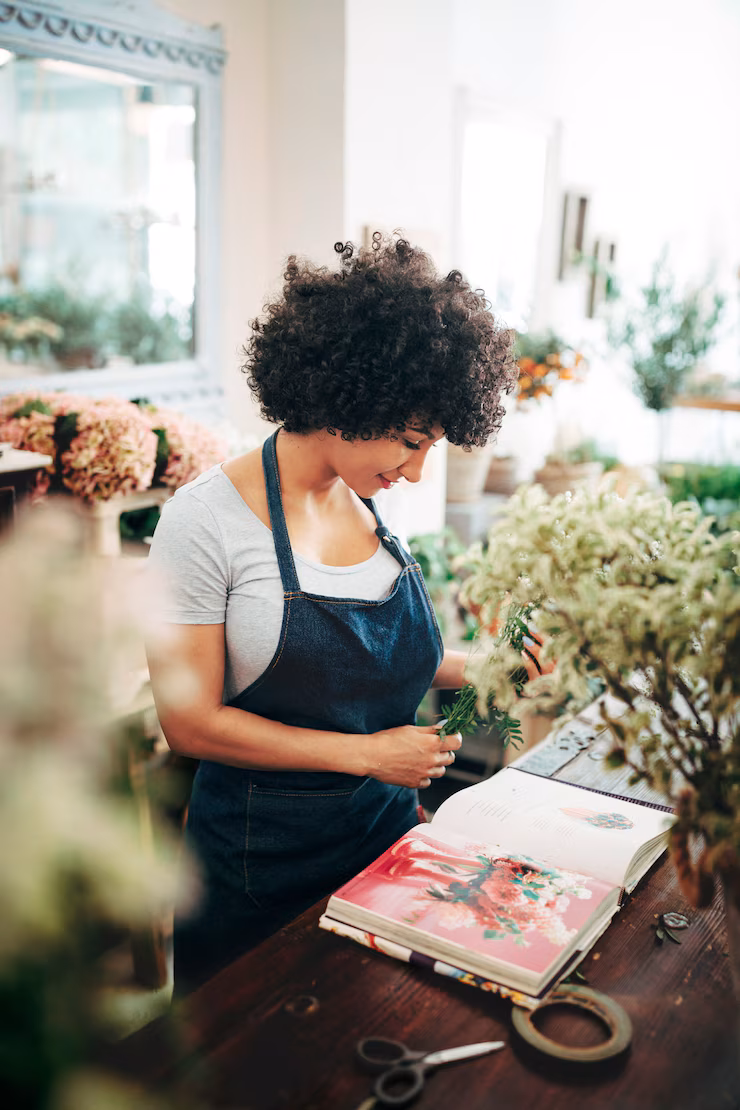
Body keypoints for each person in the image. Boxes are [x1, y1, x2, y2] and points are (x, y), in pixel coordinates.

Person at [146, 233, 517, 994]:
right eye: (411, 443)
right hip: (258, 871)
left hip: (385, 845)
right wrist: (366, 755)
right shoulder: (205, 522)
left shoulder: (368, 505)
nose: (415, 472)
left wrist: (481, 665)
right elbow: (189, 723)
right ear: (352, 401)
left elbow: (367, 658)